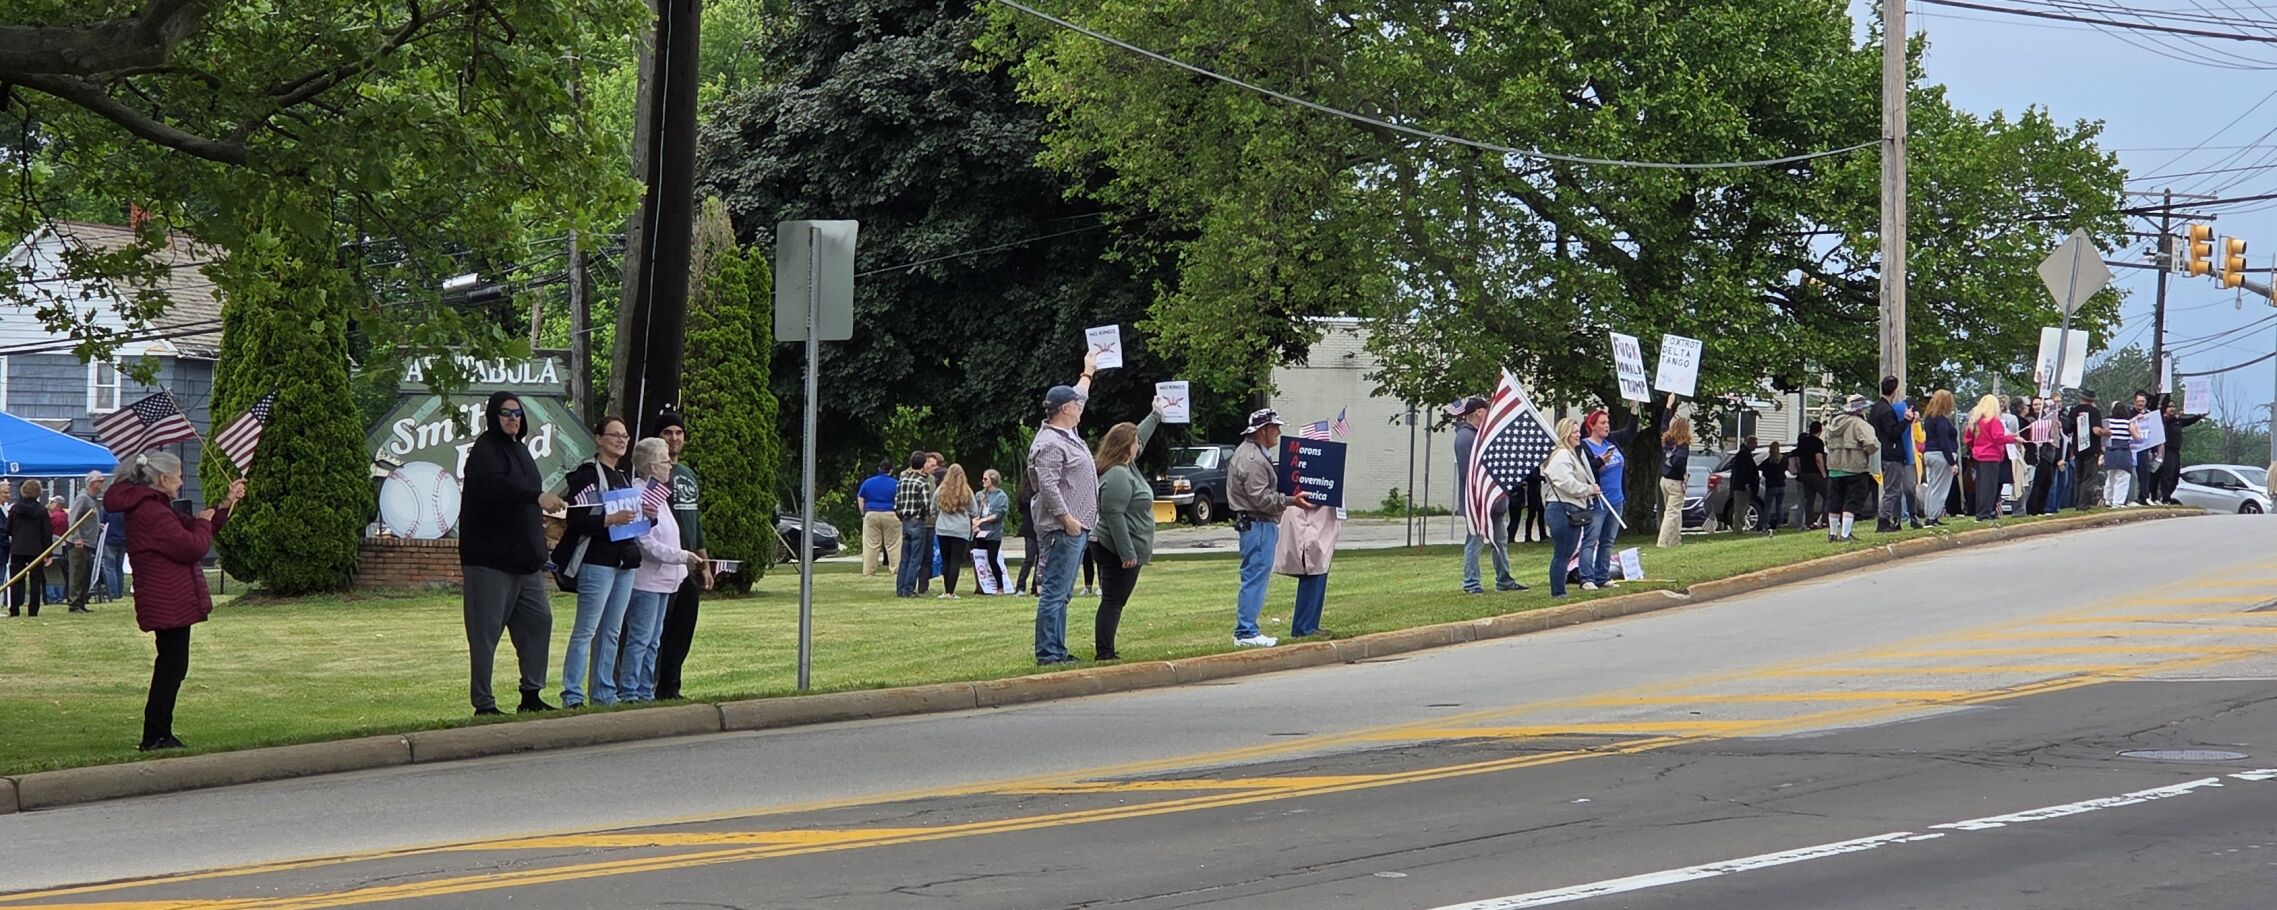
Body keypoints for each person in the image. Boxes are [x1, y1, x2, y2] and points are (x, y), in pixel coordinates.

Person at [105, 451, 244, 751]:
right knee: (171, 666)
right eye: (179, 475)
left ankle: (158, 732)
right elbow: (192, 546)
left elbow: (196, 526)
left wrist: (225, 505)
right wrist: (205, 523)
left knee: (173, 665)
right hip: (166, 598)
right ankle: (155, 735)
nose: (182, 482)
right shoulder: (150, 512)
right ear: (163, 478)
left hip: (169, 596)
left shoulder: (155, 507)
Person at [458, 392, 566, 715]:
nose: (513, 418)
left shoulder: (521, 451)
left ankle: (531, 695)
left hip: (526, 563)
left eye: (517, 413)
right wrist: (536, 497)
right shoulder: (483, 451)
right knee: (485, 634)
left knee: (539, 621)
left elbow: (524, 499)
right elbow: (494, 488)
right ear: (494, 415)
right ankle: (484, 703)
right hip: (489, 560)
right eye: (506, 413)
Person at [555, 416, 642, 708]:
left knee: (612, 631)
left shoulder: (623, 476)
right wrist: (610, 519)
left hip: (623, 563)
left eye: (625, 437)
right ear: (599, 438)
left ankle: (604, 692)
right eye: (615, 435)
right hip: (597, 562)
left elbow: (632, 521)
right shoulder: (588, 475)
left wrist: (645, 518)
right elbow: (576, 518)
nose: (621, 441)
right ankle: (572, 694)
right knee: (586, 630)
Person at [1028, 353, 1101, 665]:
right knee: (1055, 593)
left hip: (1077, 527)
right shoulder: (1049, 444)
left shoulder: (1067, 431)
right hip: (1063, 528)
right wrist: (1067, 519)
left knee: (1063, 593)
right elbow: (1048, 485)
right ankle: (1048, 653)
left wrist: (1088, 371)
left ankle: (1057, 649)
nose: (1080, 406)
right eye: (1075, 404)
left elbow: (1080, 394)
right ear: (1064, 409)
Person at [619, 438, 701, 703]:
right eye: (665, 461)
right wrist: (681, 557)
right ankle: (630, 690)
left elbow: (669, 533)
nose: (670, 466)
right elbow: (645, 541)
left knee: (654, 640)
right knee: (640, 638)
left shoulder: (660, 494)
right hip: (647, 581)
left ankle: (645, 689)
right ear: (652, 466)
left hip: (668, 580)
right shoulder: (640, 494)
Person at [1229, 407, 1316, 646]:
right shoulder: (1253, 459)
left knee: (1255, 576)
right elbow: (1261, 498)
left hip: (1257, 524)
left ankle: (1247, 629)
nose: (1278, 432)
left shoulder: (1253, 453)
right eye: (1275, 427)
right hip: (1257, 524)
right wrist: (1291, 500)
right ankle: (1246, 632)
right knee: (1255, 578)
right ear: (1263, 430)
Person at [1091, 401, 1164, 658]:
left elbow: (1139, 435)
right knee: (1113, 600)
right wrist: (1127, 553)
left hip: (1119, 546)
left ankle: (1106, 649)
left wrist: (1155, 413)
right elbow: (1114, 515)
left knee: (1115, 600)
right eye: (1135, 443)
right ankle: (1105, 652)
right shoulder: (1119, 475)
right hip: (1115, 548)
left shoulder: (1127, 465)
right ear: (1126, 448)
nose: (1139, 445)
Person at [651, 412, 709, 701]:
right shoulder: (654, 477)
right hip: (663, 563)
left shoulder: (687, 474)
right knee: (657, 629)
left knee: (683, 627)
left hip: (690, 564)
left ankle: (671, 686)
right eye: (667, 433)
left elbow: (695, 522)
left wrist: (705, 563)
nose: (674, 438)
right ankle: (647, 684)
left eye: (678, 433)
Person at [1452, 396, 1520, 594]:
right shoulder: (1466, 437)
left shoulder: (1481, 435)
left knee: (1500, 541)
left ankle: (1504, 580)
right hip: (1477, 501)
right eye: (1486, 410)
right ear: (1479, 412)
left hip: (1494, 500)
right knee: (1475, 541)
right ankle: (1471, 583)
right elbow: (1468, 472)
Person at [1541, 417, 1600, 598]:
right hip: (1562, 509)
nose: (1578, 435)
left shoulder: (1570, 454)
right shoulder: (1562, 455)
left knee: (1565, 553)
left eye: (1578, 432)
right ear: (1565, 433)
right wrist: (1588, 489)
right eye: (1574, 432)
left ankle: (1559, 590)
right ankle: (1558, 592)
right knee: (1562, 554)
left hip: (1569, 508)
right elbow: (1566, 483)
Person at [1578, 409, 1637, 590]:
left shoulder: (1611, 441)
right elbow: (1585, 471)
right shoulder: (1584, 447)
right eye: (1602, 423)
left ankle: (1602, 577)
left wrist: (1634, 410)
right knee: (1591, 539)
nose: (1606, 426)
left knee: (1608, 540)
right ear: (1592, 426)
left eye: (1607, 423)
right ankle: (1586, 578)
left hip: (1616, 499)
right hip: (1598, 501)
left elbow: (1629, 433)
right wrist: (1601, 461)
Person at [1277, 486, 1343, 638]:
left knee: (1320, 567)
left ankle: (1310, 624)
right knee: (1312, 567)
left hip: (1324, 512)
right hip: (1309, 516)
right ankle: (1303, 627)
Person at [1823, 395, 1879, 542]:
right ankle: (1846, 534)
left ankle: (1832, 534)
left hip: (1834, 469)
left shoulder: (1832, 423)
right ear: (1860, 409)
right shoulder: (1859, 424)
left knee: (1834, 502)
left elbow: (1827, 442)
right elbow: (1871, 444)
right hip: (1855, 468)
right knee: (1851, 502)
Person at [1867, 376, 1918, 533]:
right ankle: (1883, 521)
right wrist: (1906, 421)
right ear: (1894, 391)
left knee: (1891, 488)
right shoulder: (1887, 411)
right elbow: (1893, 433)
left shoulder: (1875, 408)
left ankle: (1888, 520)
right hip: (1891, 454)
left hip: (1879, 453)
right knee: (1892, 490)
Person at [1964, 394, 2022, 521]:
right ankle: (1985, 513)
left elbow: (1968, 439)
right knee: (1989, 486)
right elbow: (1998, 437)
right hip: (1991, 455)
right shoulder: (1993, 420)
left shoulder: (1975, 421)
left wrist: (1975, 447)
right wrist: (2014, 438)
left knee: (1981, 485)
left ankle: (1981, 511)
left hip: (1978, 454)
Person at [892, 451, 936, 599]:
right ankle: (909, 588)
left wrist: (901, 515)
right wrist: (924, 515)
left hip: (905, 520)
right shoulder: (922, 482)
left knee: (905, 556)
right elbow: (925, 504)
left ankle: (900, 588)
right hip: (917, 521)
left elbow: (897, 502)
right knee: (915, 557)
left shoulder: (902, 480)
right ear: (924, 464)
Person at [8, 480, 54, 616]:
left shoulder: (15, 509)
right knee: (35, 580)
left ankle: (14, 609)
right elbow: (47, 532)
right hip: (36, 549)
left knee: (16, 580)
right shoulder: (42, 510)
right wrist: (48, 552)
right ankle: (33, 610)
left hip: (18, 547)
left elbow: (8, 528)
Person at [933, 465, 978, 599]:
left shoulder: (940, 490)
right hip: (960, 530)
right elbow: (974, 511)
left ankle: (946, 590)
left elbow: (933, 507)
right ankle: (951, 591)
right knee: (955, 561)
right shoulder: (967, 491)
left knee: (945, 560)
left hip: (943, 529)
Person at [64, 471, 105, 613]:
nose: (102, 484)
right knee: (77, 574)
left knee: (85, 574)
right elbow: (73, 519)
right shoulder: (82, 498)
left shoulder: (92, 499)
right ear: (92, 483)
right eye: (101, 480)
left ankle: (81, 602)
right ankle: (74, 604)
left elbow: (86, 518)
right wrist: (76, 538)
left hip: (89, 542)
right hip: (79, 544)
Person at [1920, 390, 1959, 526]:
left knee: (1932, 486)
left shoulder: (1929, 418)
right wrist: (1952, 462)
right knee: (1940, 488)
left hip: (1929, 453)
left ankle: (1929, 514)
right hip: (1941, 455)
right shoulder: (1942, 420)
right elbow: (1944, 442)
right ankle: (1933, 516)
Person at [2155, 402, 2206, 504]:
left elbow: (2189, 421)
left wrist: (2200, 416)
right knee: (2167, 475)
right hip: (2167, 450)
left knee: (2175, 476)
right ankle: (2165, 498)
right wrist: (2177, 416)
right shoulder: (2164, 420)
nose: (2172, 409)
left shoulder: (2178, 421)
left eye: (2173, 406)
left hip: (2176, 451)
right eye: (2169, 406)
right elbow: (2168, 422)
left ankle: (2169, 495)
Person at [856, 460, 899, 577]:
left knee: (871, 545)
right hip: (890, 513)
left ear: (879, 469)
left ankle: (869, 571)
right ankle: (895, 570)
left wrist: (863, 513)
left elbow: (861, 498)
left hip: (872, 513)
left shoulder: (868, 482)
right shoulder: (896, 483)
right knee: (893, 544)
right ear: (891, 470)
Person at [1658, 405, 1692, 548]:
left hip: (1664, 480)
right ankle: (1663, 542)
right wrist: (1684, 475)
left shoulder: (1667, 439)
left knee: (1675, 512)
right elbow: (1679, 461)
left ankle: (1675, 542)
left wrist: (1667, 406)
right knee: (1672, 513)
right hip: (1675, 482)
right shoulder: (1683, 445)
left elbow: (1663, 424)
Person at [2066, 390, 2106, 511]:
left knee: (2078, 478)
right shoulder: (2094, 412)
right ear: (2093, 400)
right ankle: (2084, 504)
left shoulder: (2074, 411)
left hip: (2078, 447)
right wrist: (2106, 433)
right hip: (2091, 448)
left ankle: (2077, 502)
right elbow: (2096, 430)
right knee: (2089, 478)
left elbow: (2069, 428)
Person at [975, 469, 1011, 595]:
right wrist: (975, 523)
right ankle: (981, 586)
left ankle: (1000, 586)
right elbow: (975, 511)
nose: (983, 481)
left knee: (992, 559)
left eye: (986, 479)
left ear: (993, 480)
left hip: (993, 533)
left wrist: (982, 520)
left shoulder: (1001, 496)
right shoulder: (980, 494)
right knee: (979, 560)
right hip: (980, 532)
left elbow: (999, 514)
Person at [1792, 421, 1829, 529]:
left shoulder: (1803, 442)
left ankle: (1809, 523)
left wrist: (1801, 470)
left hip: (1805, 474)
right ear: (1820, 430)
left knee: (1809, 499)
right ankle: (1824, 521)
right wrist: (1823, 473)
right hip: (1815, 474)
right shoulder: (1818, 442)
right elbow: (1818, 459)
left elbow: (1798, 459)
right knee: (1828, 496)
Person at [1725, 435, 1763, 532]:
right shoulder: (1743, 455)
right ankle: (1738, 528)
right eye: (1755, 443)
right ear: (1750, 443)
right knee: (1740, 508)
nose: (1756, 446)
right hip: (1742, 486)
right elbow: (1743, 471)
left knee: (1743, 507)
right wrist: (1747, 484)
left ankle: (1739, 527)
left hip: (1742, 486)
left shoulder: (1744, 454)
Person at [2103, 403, 2138, 508]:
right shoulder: (2128, 423)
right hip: (2123, 452)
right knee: (2123, 478)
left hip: (2110, 451)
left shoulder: (2107, 422)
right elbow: (2138, 437)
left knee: (2110, 477)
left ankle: (2108, 499)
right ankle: (2118, 502)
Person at [1013, 484, 1040, 596]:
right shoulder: (1028, 494)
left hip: (1037, 527)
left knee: (1038, 559)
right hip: (1031, 528)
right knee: (1030, 558)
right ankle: (1021, 586)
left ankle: (1036, 586)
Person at [102, 499, 127, 600]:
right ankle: (119, 592)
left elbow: (102, 523)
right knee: (119, 567)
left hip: (110, 541)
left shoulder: (107, 509)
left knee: (109, 568)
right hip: (123, 541)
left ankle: (112, 593)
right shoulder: (126, 511)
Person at [1763, 442, 1789, 533]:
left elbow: (1764, 472)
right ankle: (1780, 524)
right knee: (1779, 506)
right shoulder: (1783, 459)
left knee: (1768, 507)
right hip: (1781, 485)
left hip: (1771, 485)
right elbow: (1785, 468)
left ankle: (1766, 524)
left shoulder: (1768, 461)